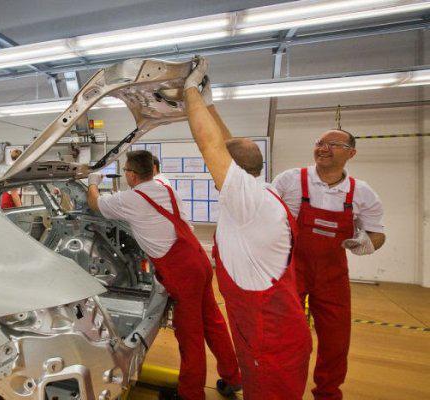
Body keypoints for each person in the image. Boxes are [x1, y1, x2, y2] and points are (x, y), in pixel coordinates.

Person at [183, 57, 312, 399]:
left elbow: (210, 145)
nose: (213, 174)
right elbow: (227, 144)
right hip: (261, 330)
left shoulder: (248, 203)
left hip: (271, 342)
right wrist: (209, 103)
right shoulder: (259, 189)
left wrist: (189, 91)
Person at [87, 150, 241, 400]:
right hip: (199, 260)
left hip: (181, 272)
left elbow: (95, 203)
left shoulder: (131, 199)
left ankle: (191, 394)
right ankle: (233, 377)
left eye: (126, 170)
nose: (126, 174)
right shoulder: (164, 185)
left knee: (189, 335)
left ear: (132, 175)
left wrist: (93, 182)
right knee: (213, 320)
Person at [272, 129, 385, 400]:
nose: (323, 148)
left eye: (333, 144)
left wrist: (366, 244)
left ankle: (328, 393)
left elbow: (377, 232)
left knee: (336, 340)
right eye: (320, 143)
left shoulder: (362, 192)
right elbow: (266, 215)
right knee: (288, 336)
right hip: (291, 270)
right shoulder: (290, 180)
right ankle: (285, 391)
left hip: (333, 276)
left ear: (351, 153)